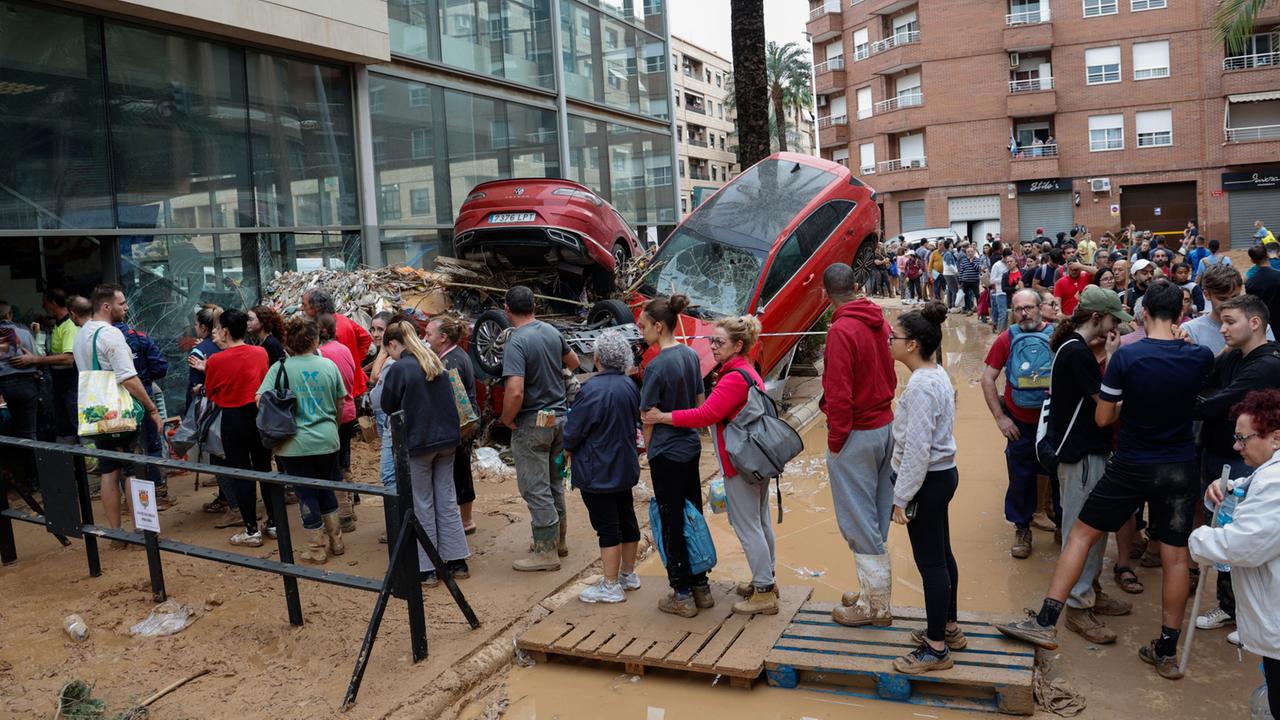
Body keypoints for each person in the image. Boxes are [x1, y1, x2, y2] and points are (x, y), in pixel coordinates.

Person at [998, 280, 1214, 679]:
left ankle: (1046, 622)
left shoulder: (1126, 358)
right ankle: (1166, 649)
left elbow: (1102, 417)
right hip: (1180, 465)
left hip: (1131, 462)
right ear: (1182, 315)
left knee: (1080, 534)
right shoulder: (1200, 356)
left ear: (1144, 313)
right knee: (1177, 556)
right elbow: (1204, 397)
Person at [643, 316, 777, 616]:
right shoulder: (747, 370)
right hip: (757, 459)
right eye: (711, 341)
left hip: (740, 463)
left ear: (738, 345)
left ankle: (765, 591)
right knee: (760, 520)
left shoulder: (733, 377)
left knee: (747, 526)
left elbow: (705, 414)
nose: (712, 347)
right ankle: (765, 581)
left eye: (719, 342)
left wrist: (662, 417)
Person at [1044, 287, 1135, 645]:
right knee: (1082, 530)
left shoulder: (1074, 349)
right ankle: (1080, 605)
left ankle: (1091, 589)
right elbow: (1105, 408)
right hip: (1080, 454)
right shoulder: (1077, 354)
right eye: (1113, 320)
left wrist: (1110, 355)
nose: (1117, 327)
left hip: (1085, 452)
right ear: (1097, 318)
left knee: (1092, 529)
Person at [1190, 295, 1280, 634]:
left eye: (1230, 322)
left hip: (1245, 460)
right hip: (1217, 451)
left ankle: (1242, 611)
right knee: (1223, 519)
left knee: (1241, 533)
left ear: (1254, 323)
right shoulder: (1234, 357)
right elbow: (1207, 381)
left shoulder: (1266, 364)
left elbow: (1219, 403)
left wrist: (1184, 403)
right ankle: (1232, 606)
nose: (1222, 329)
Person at [1189, 389, 1280, 718]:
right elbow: (1257, 491)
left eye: (1243, 438)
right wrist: (1233, 489)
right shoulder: (1268, 474)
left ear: (1276, 438)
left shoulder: (1276, 482)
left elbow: (1244, 545)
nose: (1236, 446)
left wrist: (1198, 538)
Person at [886, 301, 963, 674]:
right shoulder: (937, 374)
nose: (890, 342)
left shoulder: (919, 386)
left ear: (913, 344)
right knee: (943, 553)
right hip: (942, 475)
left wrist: (901, 497)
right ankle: (948, 627)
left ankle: (936, 649)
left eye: (895, 337)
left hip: (926, 480)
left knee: (930, 562)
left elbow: (917, 449)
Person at [820, 263, 899, 627]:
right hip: (886, 425)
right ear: (856, 286)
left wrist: (836, 442)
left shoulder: (840, 330)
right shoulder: (877, 319)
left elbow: (839, 395)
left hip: (856, 432)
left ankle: (876, 607)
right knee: (877, 513)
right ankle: (871, 590)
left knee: (858, 518)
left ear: (825, 294)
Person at [72, 285, 165, 544]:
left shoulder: (82, 334)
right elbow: (128, 378)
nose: (126, 308)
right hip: (120, 412)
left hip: (97, 411)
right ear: (106, 306)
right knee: (134, 468)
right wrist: (152, 409)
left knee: (109, 469)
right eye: (122, 303)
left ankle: (115, 533)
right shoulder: (110, 334)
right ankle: (142, 530)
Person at [638, 295, 711, 615]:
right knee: (693, 512)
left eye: (643, 326)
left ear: (658, 326)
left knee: (671, 518)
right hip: (690, 446)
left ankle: (680, 593)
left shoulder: (655, 366)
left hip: (665, 451)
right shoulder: (691, 356)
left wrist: (647, 450)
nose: (641, 331)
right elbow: (699, 399)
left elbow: (647, 415)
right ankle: (701, 585)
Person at [380, 320, 468, 586]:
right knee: (446, 498)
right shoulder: (433, 360)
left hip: (419, 442)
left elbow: (386, 404)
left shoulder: (400, 368)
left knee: (422, 503)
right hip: (447, 440)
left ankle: (427, 567)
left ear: (394, 344)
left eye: (388, 350)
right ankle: (456, 560)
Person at [500, 286, 581, 572]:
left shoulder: (516, 342)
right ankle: (559, 541)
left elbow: (515, 391)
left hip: (532, 422)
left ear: (507, 309)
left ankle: (545, 551)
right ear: (535, 306)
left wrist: (507, 419)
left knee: (534, 487)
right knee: (554, 483)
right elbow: (573, 363)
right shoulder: (550, 331)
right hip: (559, 420)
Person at [566, 330, 643, 605]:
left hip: (598, 468)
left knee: (608, 527)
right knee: (626, 518)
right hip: (623, 464)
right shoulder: (629, 385)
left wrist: (565, 448)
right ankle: (627, 575)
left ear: (597, 358)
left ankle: (610, 585)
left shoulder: (592, 389)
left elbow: (575, 431)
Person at [262, 317, 346, 564]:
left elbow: (261, 399)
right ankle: (337, 541)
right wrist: (332, 425)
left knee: (306, 493)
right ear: (314, 340)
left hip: (294, 443)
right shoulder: (329, 366)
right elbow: (341, 402)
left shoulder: (280, 369)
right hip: (328, 439)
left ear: (289, 342)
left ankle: (316, 548)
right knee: (326, 487)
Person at [981, 289, 1051, 558]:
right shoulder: (1006, 338)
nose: (1024, 313)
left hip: (1051, 420)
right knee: (1020, 477)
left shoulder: (1057, 334)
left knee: (1057, 472)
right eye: (1018, 309)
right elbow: (988, 379)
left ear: (1040, 307)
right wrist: (1001, 418)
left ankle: (1060, 524)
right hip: (1019, 422)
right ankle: (1022, 528)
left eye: (1029, 308)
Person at [204, 308, 274, 546]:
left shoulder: (215, 360)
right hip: (258, 416)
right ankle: (273, 523)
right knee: (264, 469)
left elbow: (211, 391)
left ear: (224, 331)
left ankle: (251, 529)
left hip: (232, 419)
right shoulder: (260, 352)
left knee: (241, 474)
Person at [425, 314, 478, 535]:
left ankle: (465, 521)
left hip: (461, 424)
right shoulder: (454, 355)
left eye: (429, 334)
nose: (425, 338)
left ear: (443, 337)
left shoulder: (450, 361)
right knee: (461, 470)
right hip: (464, 422)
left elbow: (456, 399)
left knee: (459, 471)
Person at [8, 290, 78, 442]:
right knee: (63, 425)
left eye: (45, 302)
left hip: (71, 382)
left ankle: (89, 462)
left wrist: (34, 360)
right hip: (59, 382)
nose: (42, 306)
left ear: (53, 302)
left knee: (75, 422)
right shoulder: (57, 325)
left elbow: (68, 358)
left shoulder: (69, 326)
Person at [316, 313, 360, 533]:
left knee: (332, 465)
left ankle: (343, 514)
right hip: (349, 411)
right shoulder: (344, 349)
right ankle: (349, 507)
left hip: (334, 414)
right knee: (343, 460)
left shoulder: (320, 355)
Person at [302, 289, 372, 399]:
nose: (302, 308)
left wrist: (353, 360)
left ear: (316, 308)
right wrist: (354, 361)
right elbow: (366, 338)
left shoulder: (332, 332)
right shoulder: (343, 319)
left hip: (342, 393)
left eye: (304, 305)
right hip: (353, 384)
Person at [0, 300, 40, 488]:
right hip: (26, 385)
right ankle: (33, 480)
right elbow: (36, 357)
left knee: (4, 434)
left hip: (2, 388)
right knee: (28, 434)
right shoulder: (24, 332)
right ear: (9, 315)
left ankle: (8, 481)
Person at [1245, 248, 1280, 342]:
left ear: (1252, 260)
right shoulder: (1278, 276)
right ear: (1268, 256)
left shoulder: (1251, 282)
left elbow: (1252, 306)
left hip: (1263, 324)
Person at [990, 248, 1012, 330]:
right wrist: (1004, 279)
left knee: (1008, 313)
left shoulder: (1010, 264)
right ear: (1002, 256)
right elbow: (992, 280)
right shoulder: (997, 265)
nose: (1008, 260)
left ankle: (1005, 332)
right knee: (1003, 313)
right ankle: (1000, 333)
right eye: (1007, 258)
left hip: (1009, 292)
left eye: (1010, 258)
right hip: (1000, 292)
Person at [957, 245, 981, 314]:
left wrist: (972, 262)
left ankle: (979, 309)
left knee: (977, 295)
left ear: (974, 252)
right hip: (965, 281)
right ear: (966, 253)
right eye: (968, 252)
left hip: (975, 281)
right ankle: (968, 309)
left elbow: (978, 269)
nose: (970, 253)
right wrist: (959, 282)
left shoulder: (977, 259)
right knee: (966, 295)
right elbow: (961, 272)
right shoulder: (964, 261)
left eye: (971, 251)